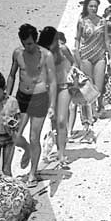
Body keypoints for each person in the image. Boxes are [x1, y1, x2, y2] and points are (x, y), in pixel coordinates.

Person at [6, 23, 56, 186]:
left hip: (39, 98)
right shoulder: (17, 53)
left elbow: (53, 81)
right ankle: (26, 149)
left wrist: (52, 105)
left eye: (30, 43)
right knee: (14, 134)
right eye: (24, 43)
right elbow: (12, 75)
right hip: (22, 97)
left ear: (35, 40)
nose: (28, 47)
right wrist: (7, 96)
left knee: (34, 137)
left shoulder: (46, 55)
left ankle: (32, 173)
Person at [37, 26, 76, 170]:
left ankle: (61, 154)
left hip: (64, 85)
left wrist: (72, 74)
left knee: (61, 120)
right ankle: (59, 147)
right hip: (49, 88)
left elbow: (73, 61)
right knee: (54, 122)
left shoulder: (62, 49)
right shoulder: (42, 53)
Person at [75, 0, 109, 129]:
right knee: (88, 86)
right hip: (86, 56)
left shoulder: (103, 21)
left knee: (98, 87)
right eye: (91, 6)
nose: (94, 9)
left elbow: (106, 40)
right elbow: (77, 38)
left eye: (95, 6)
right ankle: (91, 113)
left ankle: (96, 108)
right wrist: (77, 54)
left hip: (100, 55)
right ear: (86, 7)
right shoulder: (82, 21)